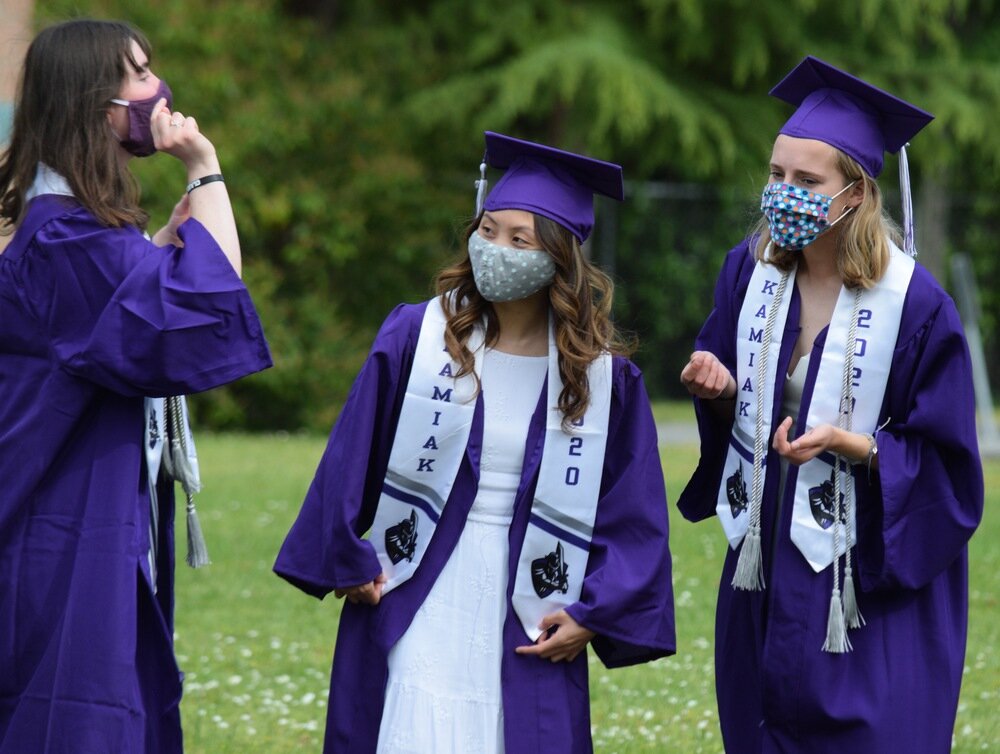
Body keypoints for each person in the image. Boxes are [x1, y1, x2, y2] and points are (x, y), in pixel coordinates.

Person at [275, 131, 675, 753]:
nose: (497, 250)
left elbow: (633, 509)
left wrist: (595, 613)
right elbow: (354, 451)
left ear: (558, 262)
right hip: (418, 573)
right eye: (488, 230)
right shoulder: (420, 334)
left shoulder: (602, 378)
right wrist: (346, 554)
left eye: (520, 240)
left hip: (528, 592)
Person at [678, 56, 984, 753]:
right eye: (777, 175)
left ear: (855, 193)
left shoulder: (917, 306)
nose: (784, 192)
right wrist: (719, 393)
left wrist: (857, 446)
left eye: (806, 181)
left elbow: (948, 464)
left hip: (866, 564)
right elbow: (731, 395)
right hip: (766, 553)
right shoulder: (747, 271)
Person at [0, 19, 271, 753]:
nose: (160, 89)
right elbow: (210, 305)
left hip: (71, 516)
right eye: (141, 74)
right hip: (53, 529)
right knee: (72, 716)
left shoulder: (70, 230)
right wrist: (205, 170)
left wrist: (153, 252)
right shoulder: (68, 240)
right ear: (98, 104)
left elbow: (120, 324)